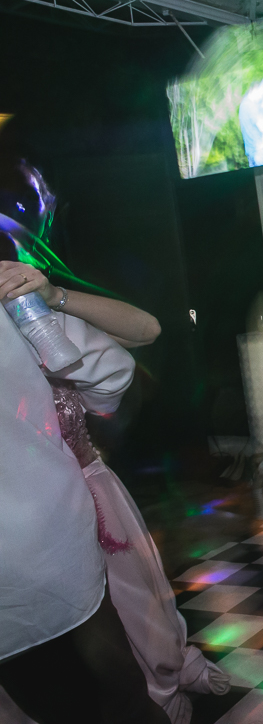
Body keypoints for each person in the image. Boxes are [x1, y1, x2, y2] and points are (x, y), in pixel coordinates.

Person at [0, 271, 169, 724]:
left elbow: (147, 331)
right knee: (100, 686)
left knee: (117, 661)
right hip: (55, 531)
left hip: (88, 508)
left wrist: (54, 296)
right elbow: (114, 375)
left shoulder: (27, 312)